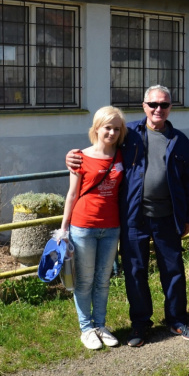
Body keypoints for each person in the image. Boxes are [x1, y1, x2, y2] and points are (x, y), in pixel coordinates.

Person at [66, 85, 189, 346]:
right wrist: (73, 156)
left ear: (171, 107)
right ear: (144, 106)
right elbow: (101, 147)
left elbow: (188, 183)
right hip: (133, 217)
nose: (158, 109)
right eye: (153, 104)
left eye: (164, 105)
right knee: (135, 272)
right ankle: (140, 324)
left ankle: (177, 320)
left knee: (172, 270)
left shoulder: (180, 141)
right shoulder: (130, 135)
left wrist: (187, 217)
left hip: (167, 217)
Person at [60, 106, 126, 350]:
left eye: (116, 129)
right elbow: (72, 193)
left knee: (103, 280)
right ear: (97, 128)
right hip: (84, 226)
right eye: (107, 127)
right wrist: (63, 229)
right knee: (84, 281)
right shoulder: (80, 157)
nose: (111, 132)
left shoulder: (122, 154)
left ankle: (100, 324)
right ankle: (86, 328)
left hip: (111, 228)